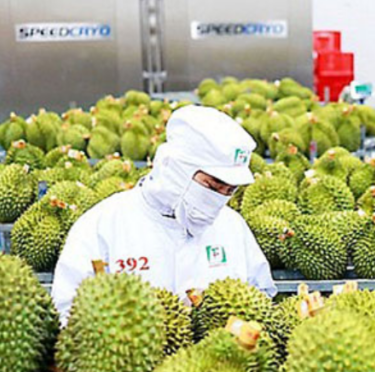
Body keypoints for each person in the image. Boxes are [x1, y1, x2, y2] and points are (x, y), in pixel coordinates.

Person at [51, 105, 276, 322]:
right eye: (212, 186)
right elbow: (68, 313)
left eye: (230, 190)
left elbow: (261, 300)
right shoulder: (101, 226)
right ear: (177, 169)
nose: (219, 198)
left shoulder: (233, 226)